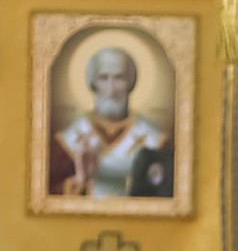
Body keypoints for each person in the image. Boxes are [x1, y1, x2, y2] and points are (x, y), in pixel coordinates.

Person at [48, 45, 173, 202]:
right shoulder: (66, 142)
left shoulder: (156, 141)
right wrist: (80, 181)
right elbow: (48, 196)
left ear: (131, 82)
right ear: (92, 83)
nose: (111, 88)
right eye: (104, 78)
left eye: (119, 78)